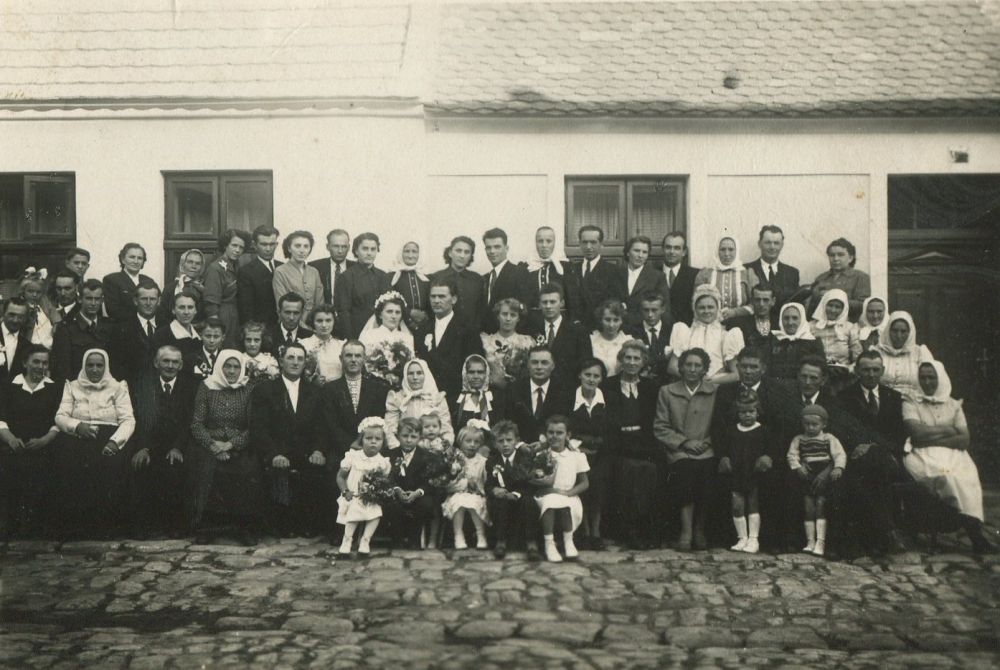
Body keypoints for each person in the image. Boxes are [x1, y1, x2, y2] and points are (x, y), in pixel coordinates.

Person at [902, 360, 991, 552]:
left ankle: (975, 532)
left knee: (965, 477)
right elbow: (917, 434)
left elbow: (964, 440)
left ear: (940, 378)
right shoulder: (911, 401)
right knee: (946, 477)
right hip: (921, 454)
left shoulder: (953, 405)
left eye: (931, 378)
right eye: (923, 378)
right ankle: (965, 528)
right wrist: (950, 430)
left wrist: (931, 434)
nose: (927, 382)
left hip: (954, 454)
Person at [250, 342, 330, 536]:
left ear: (305, 364)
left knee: (316, 472)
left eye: (300, 359)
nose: (295, 362)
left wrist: (319, 450)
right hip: (277, 451)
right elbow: (259, 428)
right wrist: (274, 453)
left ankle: (307, 525)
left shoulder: (315, 392)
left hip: (306, 451)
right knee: (278, 471)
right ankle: (284, 525)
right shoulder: (265, 389)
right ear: (281, 362)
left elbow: (322, 427)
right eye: (290, 358)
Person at [52, 349, 135, 535]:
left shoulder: (118, 387)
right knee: (71, 465)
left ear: (106, 366)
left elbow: (128, 420)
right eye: (90, 365)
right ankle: (77, 526)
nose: (95, 369)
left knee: (110, 468)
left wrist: (115, 442)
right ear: (83, 366)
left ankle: (106, 526)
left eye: (99, 365)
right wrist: (77, 426)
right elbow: (60, 416)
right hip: (78, 435)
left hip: (109, 437)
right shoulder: (72, 386)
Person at [188, 349, 261, 539]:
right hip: (209, 443)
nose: (231, 371)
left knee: (247, 469)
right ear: (220, 366)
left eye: (236, 367)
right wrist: (213, 446)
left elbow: (253, 426)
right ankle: (206, 528)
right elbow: (196, 423)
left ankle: (243, 527)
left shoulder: (249, 388)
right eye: (227, 366)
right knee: (206, 469)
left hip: (238, 444)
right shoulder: (206, 387)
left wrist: (230, 445)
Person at [654, 347, 718, 551]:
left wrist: (706, 442)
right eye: (688, 365)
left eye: (697, 365)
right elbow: (660, 426)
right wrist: (684, 442)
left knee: (707, 474)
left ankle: (700, 529)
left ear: (704, 369)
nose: (692, 369)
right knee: (685, 471)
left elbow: (720, 425)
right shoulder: (667, 391)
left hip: (706, 447)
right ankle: (686, 530)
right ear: (680, 368)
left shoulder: (714, 391)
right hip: (679, 449)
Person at [128, 345, 196, 536]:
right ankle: (145, 527)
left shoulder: (190, 386)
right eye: (166, 361)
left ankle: (174, 526)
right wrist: (142, 447)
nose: (170, 366)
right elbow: (137, 419)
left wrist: (177, 447)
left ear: (181, 365)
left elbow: (188, 422)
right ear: (156, 363)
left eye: (175, 362)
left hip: (177, 445)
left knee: (174, 471)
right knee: (141, 469)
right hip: (148, 444)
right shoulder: (142, 384)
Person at [602, 340, 660, 548]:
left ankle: (644, 527)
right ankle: (628, 530)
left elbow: (653, 420)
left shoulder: (651, 387)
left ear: (643, 362)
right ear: (620, 360)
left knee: (649, 470)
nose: (632, 362)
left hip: (644, 443)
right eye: (628, 358)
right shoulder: (607, 385)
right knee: (628, 470)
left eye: (637, 358)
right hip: (616, 443)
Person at [0, 345, 62, 536]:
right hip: (13, 445)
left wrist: (44, 440)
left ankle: (37, 527)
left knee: (45, 472)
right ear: (25, 363)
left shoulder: (54, 388)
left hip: (44, 446)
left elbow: (58, 419)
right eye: (36, 361)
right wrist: (10, 439)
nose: (40, 366)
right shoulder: (10, 387)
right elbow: (1, 418)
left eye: (44, 363)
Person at [787, 404, 847, 556]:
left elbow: (840, 454)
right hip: (808, 475)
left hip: (823, 473)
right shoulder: (799, 439)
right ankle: (810, 541)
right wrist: (797, 466)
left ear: (824, 424)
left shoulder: (829, 438)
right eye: (807, 424)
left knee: (821, 505)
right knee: (808, 508)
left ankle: (821, 542)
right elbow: (792, 455)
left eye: (815, 424)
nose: (811, 428)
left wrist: (838, 468)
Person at [717, 391, 769, 553]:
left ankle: (754, 539)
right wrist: (724, 458)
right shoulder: (732, 430)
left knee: (753, 504)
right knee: (737, 505)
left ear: (757, 411)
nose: (747, 415)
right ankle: (742, 538)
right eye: (743, 412)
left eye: (751, 411)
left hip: (753, 472)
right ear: (737, 412)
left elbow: (769, 450)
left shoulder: (763, 430)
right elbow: (724, 449)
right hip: (736, 473)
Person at [417, 277, 484, 402]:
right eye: (433, 296)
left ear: (454, 299)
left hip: (456, 396)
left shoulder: (467, 329)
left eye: (442, 296)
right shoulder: (423, 329)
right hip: (427, 397)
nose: (436, 301)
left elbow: (473, 365)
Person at [323, 341, 390, 463]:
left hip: (370, 451)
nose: (353, 360)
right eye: (348, 355)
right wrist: (351, 444)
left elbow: (378, 418)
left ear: (364, 359)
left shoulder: (377, 388)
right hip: (339, 451)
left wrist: (364, 444)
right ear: (341, 358)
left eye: (358, 356)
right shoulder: (330, 389)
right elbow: (331, 423)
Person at [534, 415, 590, 562]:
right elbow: (536, 481)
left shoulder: (576, 456)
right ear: (545, 434)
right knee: (551, 501)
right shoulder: (541, 455)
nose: (554, 436)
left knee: (563, 503)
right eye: (551, 432)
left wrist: (568, 493)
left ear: (568, 435)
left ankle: (568, 541)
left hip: (568, 496)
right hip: (546, 495)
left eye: (559, 433)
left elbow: (584, 483)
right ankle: (549, 544)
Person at [665, 285, 744, 385]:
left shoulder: (727, 335)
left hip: (718, 387)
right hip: (689, 385)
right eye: (702, 308)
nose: (706, 311)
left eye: (710, 307)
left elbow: (737, 374)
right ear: (695, 309)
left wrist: (709, 382)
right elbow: (672, 367)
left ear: (718, 309)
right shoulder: (685, 332)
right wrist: (694, 380)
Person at [336, 417, 392, 556]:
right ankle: (347, 540)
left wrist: (379, 492)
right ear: (361, 440)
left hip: (371, 497)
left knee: (376, 514)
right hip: (353, 495)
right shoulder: (352, 457)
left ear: (383, 442)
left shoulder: (382, 462)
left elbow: (384, 481)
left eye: (378, 439)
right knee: (353, 513)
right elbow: (340, 477)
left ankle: (365, 540)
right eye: (369, 438)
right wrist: (345, 491)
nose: (373, 442)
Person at [569, 358, 610, 550]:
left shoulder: (606, 399)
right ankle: (583, 531)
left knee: (599, 479)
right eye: (587, 375)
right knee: (581, 479)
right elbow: (565, 429)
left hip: (601, 453)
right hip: (575, 452)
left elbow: (612, 430)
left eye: (596, 376)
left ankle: (596, 531)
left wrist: (598, 446)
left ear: (601, 378)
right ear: (580, 375)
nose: (591, 379)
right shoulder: (570, 398)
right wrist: (579, 448)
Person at [384, 417, 441, 548]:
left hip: (417, 495)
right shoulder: (390, 454)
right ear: (398, 435)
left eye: (413, 436)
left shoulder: (427, 456)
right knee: (389, 504)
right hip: (396, 494)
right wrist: (396, 489)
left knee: (426, 503)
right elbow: (387, 476)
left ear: (420, 437)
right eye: (405, 436)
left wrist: (418, 492)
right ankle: (397, 538)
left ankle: (414, 538)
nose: (409, 440)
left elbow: (430, 481)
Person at [486, 420, 538, 559]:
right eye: (500, 441)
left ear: (516, 441)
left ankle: (531, 542)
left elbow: (529, 483)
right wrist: (494, 490)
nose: (505, 444)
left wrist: (516, 494)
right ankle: (501, 541)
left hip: (521, 494)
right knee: (499, 504)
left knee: (529, 503)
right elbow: (489, 484)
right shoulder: (492, 460)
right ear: (495, 444)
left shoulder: (524, 458)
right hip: (503, 497)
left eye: (509, 440)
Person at [505, 345, 572, 444]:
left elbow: (566, 425)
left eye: (544, 363)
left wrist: (545, 444)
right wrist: (519, 445)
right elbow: (507, 423)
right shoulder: (514, 389)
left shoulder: (564, 391)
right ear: (528, 365)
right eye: (534, 362)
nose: (539, 367)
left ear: (553, 366)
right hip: (520, 448)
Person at [51, 280, 113, 382]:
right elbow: (62, 370)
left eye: (97, 299)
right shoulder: (66, 329)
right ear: (80, 299)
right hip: (78, 389)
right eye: (88, 298)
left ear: (102, 300)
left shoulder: (109, 327)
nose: (93, 303)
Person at [441, 422, 491, 550]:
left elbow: (486, 482)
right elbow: (448, 483)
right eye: (468, 441)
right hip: (456, 493)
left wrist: (479, 489)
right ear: (460, 442)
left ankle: (481, 535)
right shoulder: (454, 459)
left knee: (474, 501)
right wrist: (464, 484)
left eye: (476, 442)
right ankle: (458, 535)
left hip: (476, 494)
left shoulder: (482, 461)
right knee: (459, 501)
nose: (472, 445)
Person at [528, 283, 592, 380]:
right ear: (539, 304)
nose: (548, 306)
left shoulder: (578, 331)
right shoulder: (532, 329)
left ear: (562, 303)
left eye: (553, 302)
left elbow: (585, 365)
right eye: (545, 302)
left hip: (567, 387)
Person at [384, 359, 454, 449]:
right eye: (410, 373)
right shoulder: (397, 398)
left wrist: (442, 446)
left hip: (432, 449)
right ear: (405, 375)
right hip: (404, 448)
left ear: (426, 374)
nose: (415, 377)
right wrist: (398, 448)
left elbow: (446, 428)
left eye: (419, 373)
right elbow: (390, 428)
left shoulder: (437, 398)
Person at [336, 232, 391, 339]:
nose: (369, 253)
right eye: (365, 249)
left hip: (381, 332)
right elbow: (344, 312)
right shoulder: (347, 277)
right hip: (358, 332)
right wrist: (350, 339)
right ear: (356, 251)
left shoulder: (383, 276)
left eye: (373, 249)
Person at [109, 280, 161, 388]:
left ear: (159, 301)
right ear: (135, 301)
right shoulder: (121, 328)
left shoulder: (166, 326)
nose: (148, 303)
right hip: (132, 389)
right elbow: (116, 366)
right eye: (143, 299)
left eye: (152, 299)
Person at [203, 229, 249, 348]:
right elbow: (211, 302)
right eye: (234, 245)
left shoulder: (237, 265)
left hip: (235, 314)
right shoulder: (215, 268)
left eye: (241, 247)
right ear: (225, 245)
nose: (237, 250)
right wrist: (215, 328)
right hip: (222, 315)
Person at [525, 226, 583, 322]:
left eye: (548, 241)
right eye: (540, 241)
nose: (544, 245)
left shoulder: (565, 266)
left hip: (560, 320)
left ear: (554, 243)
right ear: (535, 243)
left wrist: (574, 320)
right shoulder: (528, 267)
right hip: (534, 320)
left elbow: (572, 297)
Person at [481, 227, 532, 332]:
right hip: (487, 338)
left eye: (497, 247)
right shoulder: (484, 278)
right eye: (488, 248)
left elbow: (526, 310)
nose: (492, 251)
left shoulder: (519, 273)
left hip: (510, 338)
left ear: (506, 248)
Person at [614, 235, 670, 329]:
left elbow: (665, 308)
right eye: (636, 251)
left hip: (643, 329)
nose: (640, 255)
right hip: (617, 328)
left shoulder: (657, 277)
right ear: (628, 252)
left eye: (644, 252)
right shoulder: (615, 274)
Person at [809, 237, 871, 320]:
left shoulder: (860, 277)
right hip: (822, 326)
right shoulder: (821, 278)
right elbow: (812, 307)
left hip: (849, 325)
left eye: (840, 255)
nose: (835, 259)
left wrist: (834, 297)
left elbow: (864, 305)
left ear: (850, 258)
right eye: (832, 255)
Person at [875, 311, 934, 397]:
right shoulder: (877, 351)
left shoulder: (920, 352)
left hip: (913, 401)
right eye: (895, 331)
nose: (899, 336)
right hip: (883, 400)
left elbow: (930, 379)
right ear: (888, 330)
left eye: (903, 331)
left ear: (910, 332)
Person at [272, 231, 324, 327]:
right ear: (289, 248)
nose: (302, 250)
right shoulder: (280, 271)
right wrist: (302, 326)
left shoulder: (314, 271)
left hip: (314, 325)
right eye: (297, 246)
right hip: (291, 324)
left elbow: (320, 302)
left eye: (306, 246)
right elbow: (281, 305)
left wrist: (317, 324)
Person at [572, 225, 618, 331]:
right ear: (579, 243)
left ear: (601, 244)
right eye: (584, 242)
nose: (588, 247)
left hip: (600, 329)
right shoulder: (572, 269)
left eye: (593, 242)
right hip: (575, 329)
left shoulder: (613, 271)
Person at [481, 298, 534, 389]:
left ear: (518, 318)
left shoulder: (527, 342)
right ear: (498, 316)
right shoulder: (485, 341)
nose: (508, 319)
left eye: (513, 315)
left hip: (518, 392)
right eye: (504, 314)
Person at [695, 236, 753, 320]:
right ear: (717, 251)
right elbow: (697, 302)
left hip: (741, 322)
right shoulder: (706, 273)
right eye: (722, 249)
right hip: (711, 322)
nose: (727, 254)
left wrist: (735, 312)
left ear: (737, 251)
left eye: (731, 249)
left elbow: (755, 304)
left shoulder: (747, 273)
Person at [431, 236, 483, 327]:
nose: (462, 256)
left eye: (467, 252)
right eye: (458, 251)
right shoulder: (436, 277)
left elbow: (480, 310)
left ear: (471, 256)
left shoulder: (477, 279)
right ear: (450, 253)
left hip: (470, 332)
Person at [766, 302, 826, 382]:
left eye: (795, 318)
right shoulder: (774, 339)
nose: (790, 323)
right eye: (786, 318)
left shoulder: (813, 342)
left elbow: (819, 370)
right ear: (781, 319)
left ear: (802, 319)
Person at [744, 226, 800, 310]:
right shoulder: (745, 269)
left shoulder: (792, 273)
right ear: (759, 244)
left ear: (782, 245)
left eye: (776, 243)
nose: (772, 247)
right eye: (768, 243)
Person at [237, 226, 282, 327]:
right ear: (255, 245)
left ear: (277, 244)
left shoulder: (283, 267)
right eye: (263, 244)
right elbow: (246, 309)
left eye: (272, 244)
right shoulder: (246, 271)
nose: (268, 249)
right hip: (261, 329)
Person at [150, 291, 202, 377]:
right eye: (181, 307)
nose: (186, 312)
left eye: (190, 307)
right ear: (173, 310)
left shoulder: (199, 336)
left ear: (195, 310)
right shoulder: (161, 335)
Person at [627, 291, 673, 386]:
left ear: (663, 309)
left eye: (654, 310)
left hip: (666, 385)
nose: (650, 315)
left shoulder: (672, 331)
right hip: (639, 385)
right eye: (646, 310)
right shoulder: (632, 332)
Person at [810, 288, 861, 371]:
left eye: (837, 307)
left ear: (843, 309)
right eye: (830, 305)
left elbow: (857, 357)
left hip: (842, 373)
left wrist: (849, 369)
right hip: (816, 372)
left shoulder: (850, 328)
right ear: (824, 305)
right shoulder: (811, 326)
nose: (833, 310)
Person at [310, 229, 356, 320]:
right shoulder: (315, 267)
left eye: (344, 247)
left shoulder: (356, 268)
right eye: (336, 246)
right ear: (328, 247)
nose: (340, 251)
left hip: (349, 321)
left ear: (349, 247)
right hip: (322, 320)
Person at [103, 243, 154, 323]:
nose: (136, 261)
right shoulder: (111, 280)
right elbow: (113, 311)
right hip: (124, 327)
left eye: (140, 258)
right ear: (123, 259)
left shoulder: (148, 280)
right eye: (132, 257)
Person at [453, 354, 505, 432]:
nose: (476, 376)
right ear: (465, 374)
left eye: (480, 372)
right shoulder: (457, 400)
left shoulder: (495, 397)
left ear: (486, 374)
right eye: (471, 372)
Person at [724, 283, 777, 353]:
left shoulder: (780, 323)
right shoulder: (738, 323)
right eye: (757, 300)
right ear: (752, 301)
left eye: (766, 300)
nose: (761, 304)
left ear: (773, 301)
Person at [660, 232, 700, 327]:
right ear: (663, 249)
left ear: (684, 252)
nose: (672, 252)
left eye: (677, 248)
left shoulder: (695, 275)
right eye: (668, 247)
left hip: (685, 330)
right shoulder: (652, 274)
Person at [388, 241, 431, 330]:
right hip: (400, 322)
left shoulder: (425, 276)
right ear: (401, 253)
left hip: (423, 323)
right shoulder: (392, 276)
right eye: (407, 251)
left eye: (414, 252)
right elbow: (389, 300)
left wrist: (424, 316)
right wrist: (409, 313)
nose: (410, 255)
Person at [299, 304, 345, 384]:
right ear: (313, 322)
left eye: (328, 320)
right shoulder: (303, 344)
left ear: (334, 322)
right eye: (319, 321)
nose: (324, 325)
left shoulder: (342, 345)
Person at [159, 249, 206, 326]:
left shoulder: (206, 287)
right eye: (190, 262)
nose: (193, 266)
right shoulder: (171, 288)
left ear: (202, 267)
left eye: (198, 263)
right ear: (183, 264)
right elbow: (163, 314)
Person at [589, 300, 630, 377]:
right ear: (601, 320)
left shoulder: (627, 342)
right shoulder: (591, 340)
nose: (611, 325)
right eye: (607, 320)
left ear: (621, 321)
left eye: (616, 320)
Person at [0, 298, 34, 383]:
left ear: (26, 318)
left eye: (20, 317)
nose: (15, 320)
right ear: (3, 313)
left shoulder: (28, 346)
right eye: (11, 315)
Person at [19, 271, 54, 349]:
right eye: (30, 291)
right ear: (23, 292)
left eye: (38, 292)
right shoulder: (21, 309)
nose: (34, 295)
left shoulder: (43, 309)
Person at [240, 321, 279, 388]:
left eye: (256, 340)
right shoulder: (239, 359)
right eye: (248, 340)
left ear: (262, 341)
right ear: (243, 340)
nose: (252, 344)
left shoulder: (269, 360)